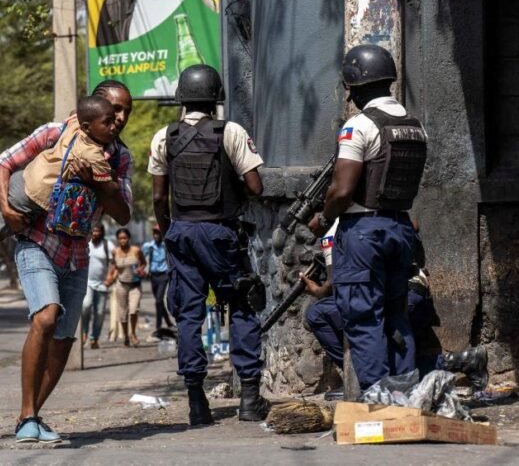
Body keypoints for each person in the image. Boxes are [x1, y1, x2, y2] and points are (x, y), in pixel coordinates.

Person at [0, 82, 135, 444]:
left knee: (64, 338)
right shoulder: (57, 133)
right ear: (94, 110)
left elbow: (123, 215)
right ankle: (26, 415)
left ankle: (32, 416)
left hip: (77, 255)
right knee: (46, 316)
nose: (119, 119)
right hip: (37, 243)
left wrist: (101, 183)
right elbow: (5, 161)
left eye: (126, 112)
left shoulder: (119, 159)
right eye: (114, 110)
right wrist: (6, 207)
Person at [149, 64, 267, 426]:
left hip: (182, 233)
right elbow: (256, 186)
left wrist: (171, 230)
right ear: (216, 98)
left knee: (189, 315)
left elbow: (158, 197)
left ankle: (197, 403)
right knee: (243, 305)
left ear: (181, 98)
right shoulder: (230, 131)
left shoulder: (163, 137)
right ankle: (249, 399)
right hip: (221, 233)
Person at [306, 44, 428, 392]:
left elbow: (342, 190)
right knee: (396, 314)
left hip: (364, 232)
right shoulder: (415, 126)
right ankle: (406, 394)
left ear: (356, 87)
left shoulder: (358, 126)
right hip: (400, 228)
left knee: (362, 317)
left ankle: (378, 398)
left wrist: (324, 218)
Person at [0, 95, 119, 289]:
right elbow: (110, 190)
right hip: (31, 199)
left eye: (113, 121)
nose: (114, 126)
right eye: (107, 122)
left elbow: (75, 113)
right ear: (88, 126)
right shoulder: (94, 154)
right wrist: (112, 176)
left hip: (22, 179)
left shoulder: (73, 126)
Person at [302, 221, 488, 400]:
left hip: (384, 299)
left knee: (317, 314)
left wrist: (317, 291)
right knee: (392, 362)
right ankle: (460, 360)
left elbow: (332, 283)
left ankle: (361, 380)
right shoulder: (388, 217)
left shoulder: (336, 231)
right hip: (411, 296)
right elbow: (414, 224)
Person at [104, 228, 147, 346]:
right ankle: (126, 336)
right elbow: (114, 266)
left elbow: (143, 262)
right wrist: (109, 277)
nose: (123, 240)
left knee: (133, 310)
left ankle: (133, 334)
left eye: (125, 238)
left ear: (129, 238)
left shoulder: (136, 250)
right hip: (121, 285)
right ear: (117, 240)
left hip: (135, 285)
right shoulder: (115, 252)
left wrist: (141, 269)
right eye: (120, 238)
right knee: (123, 314)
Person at [81, 226, 114, 349]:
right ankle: (84, 332)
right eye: (93, 231)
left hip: (102, 284)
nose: (95, 233)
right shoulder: (86, 242)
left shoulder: (107, 245)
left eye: (97, 231)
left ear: (102, 233)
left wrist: (110, 277)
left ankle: (94, 338)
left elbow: (113, 262)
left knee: (99, 313)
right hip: (87, 282)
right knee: (86, 306)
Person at [142, 223, 174, 330]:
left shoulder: (166, 245)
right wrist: (141, 268)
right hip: (153, 276)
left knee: (158, 300)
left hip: (164, 275)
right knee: (159, 301)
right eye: (154, 233)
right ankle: (169, 322)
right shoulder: (148, 246)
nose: (156, 235)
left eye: (158, 233)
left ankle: (158, 326)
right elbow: (140, 257)